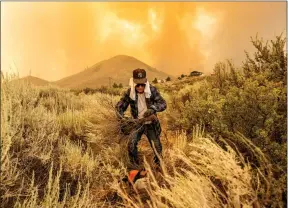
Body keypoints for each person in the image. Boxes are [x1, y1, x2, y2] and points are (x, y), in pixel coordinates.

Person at [115, 68, 167, 167]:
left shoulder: (152, 90)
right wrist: (121, 118)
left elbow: (163, 103)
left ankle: (159, 167)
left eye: (142, 84)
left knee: (157, 146)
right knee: (131, 144)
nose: (139, 87)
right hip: (137, 123)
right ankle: (135, 167)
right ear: (133, 83)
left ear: (145, 83)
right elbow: (120, 106)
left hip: (151, 123)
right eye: (137, 85)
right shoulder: (129, 92)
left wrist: (153, 108)